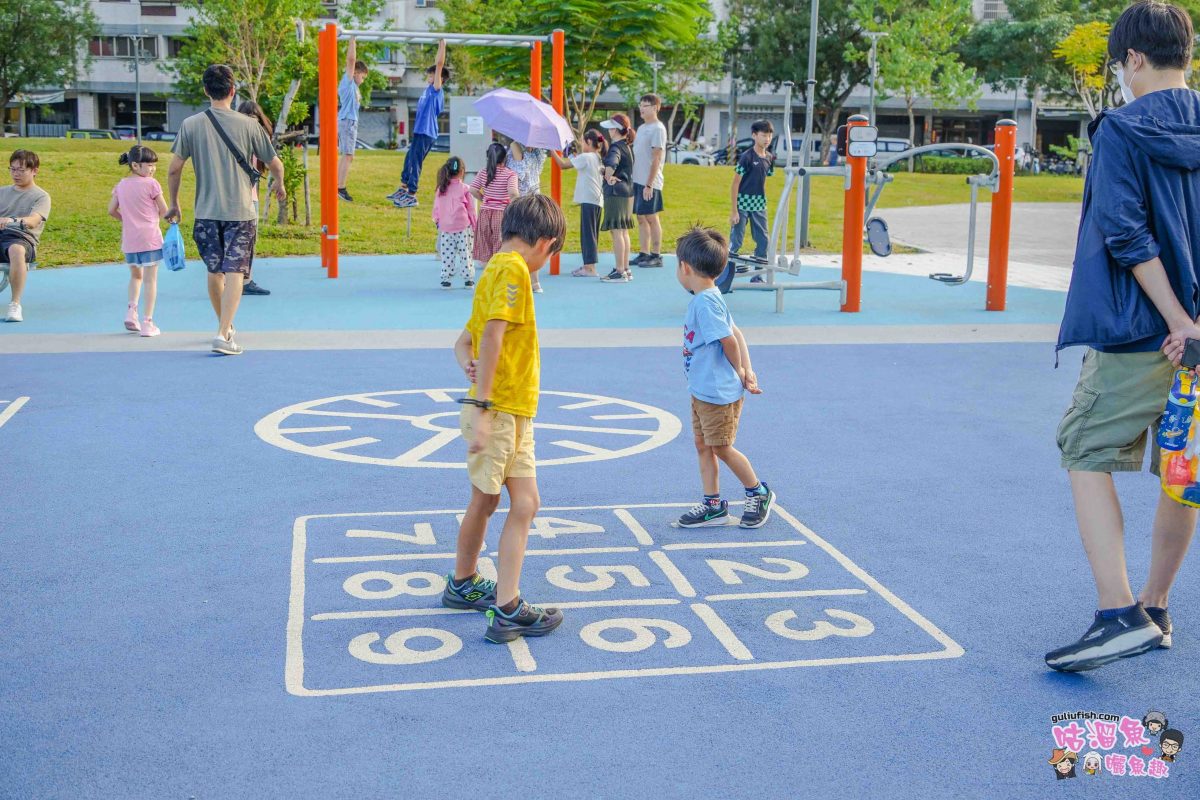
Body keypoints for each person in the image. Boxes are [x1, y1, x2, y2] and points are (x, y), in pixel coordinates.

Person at [1048, 1, 1200, 672]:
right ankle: (1157, 605)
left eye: (1120, 64)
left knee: (1082, 446)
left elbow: (1126, 234)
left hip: (1148, 331)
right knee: (1182, 467)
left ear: (1134, 58)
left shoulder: (1121, 130)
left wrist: (1178, 320)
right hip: (1193, 337)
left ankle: (1118, 613)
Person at [446, 194, 567, 643]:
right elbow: (492, 335)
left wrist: (470, 369)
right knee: (491, 501)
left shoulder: (493, 269)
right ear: (546, 243)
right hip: (499, 411)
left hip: (512, 410)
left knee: (519, 503)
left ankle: (475, 586)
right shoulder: (514, 269)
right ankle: (502, 603)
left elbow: (464, 342)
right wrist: (481, 405)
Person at [167, 64, 285, 356]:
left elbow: (174, 168)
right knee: (236, 270)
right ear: (233, 91)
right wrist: (279, 184)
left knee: (215, 270)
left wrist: (174, 202)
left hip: (206, 211)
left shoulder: (191, 125)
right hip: (241, 211)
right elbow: (274, 162)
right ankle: (223, 332)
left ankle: (225, 326)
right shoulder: (250, 125)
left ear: (206, 91)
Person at [673, 226, 775, 529]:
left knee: (721, 447)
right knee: (703, 444)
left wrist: (742, 371)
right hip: (703, 390)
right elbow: (737, 332)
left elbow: (729, 340)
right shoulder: (711, 296)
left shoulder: (704, 303)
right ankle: (713, 504)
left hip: (717, 393)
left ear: (685, 267)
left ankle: (757, 491)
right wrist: (748, 368)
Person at [108, 145, 169, 337]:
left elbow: (111, 210)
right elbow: (164, 210)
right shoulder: (152, 184)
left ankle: (131, 312)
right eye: (149, 165)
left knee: (136, 277)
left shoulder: (121, 185)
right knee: (151, 281)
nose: (152, 169)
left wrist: (127, 219)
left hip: (130, 239)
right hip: (150, 238)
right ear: (135, 165)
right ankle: (147, 322)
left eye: (154, 165)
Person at [388, 39, 447, 209]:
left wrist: (442, 45)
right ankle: (403, 187)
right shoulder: (427, 90)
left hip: (427, 132)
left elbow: (439, 64)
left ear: (439, 79)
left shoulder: (436, 90)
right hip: (420, 131)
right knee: (409, 159)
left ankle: (412, 194)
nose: (429, 77)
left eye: (432, 75)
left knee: (415, 162)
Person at [0, 150, 51, 323]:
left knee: (16, 249)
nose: (16, 174)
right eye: (12, 169)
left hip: (21, 237)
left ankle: (15, 304)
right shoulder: (2, 192)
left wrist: (10, 220)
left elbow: (34, 220)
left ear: (34, 170)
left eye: (21, 170)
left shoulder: (41, 196)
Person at [550, 130, 606, 278]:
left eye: (582, 141)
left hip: (589, 199)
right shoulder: (597, 157)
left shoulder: (586, 157)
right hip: (596, 200)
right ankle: (589, 265)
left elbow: (562, 165)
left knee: (588, 235)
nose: (581, 144)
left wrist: (552, 150)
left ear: (588, 142)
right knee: (592, 234)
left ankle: (590, 268)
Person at [236, 100, 275, 297]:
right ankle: (242, 280)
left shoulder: (254, 138)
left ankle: (243, 279)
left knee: (247, 240)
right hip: (242, 199)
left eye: (255, 119)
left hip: (248, 197)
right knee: (245, 239)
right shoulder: (243, 138)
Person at [730, 120, 775, 279]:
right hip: (742, 204)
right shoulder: (746, 157)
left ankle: (757, 274)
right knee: (736, 240)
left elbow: (764, 179)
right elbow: (735, 184)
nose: (767, 139)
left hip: (759, 205)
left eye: (769, 135)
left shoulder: (770, 157)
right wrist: (734, 210)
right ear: (754, 135)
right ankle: (728, 271)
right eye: (763, 135)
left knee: (763, 240)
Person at [506, 140, 549, 292]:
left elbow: (518, 174)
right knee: (533, 240)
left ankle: (521, 281)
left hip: (522, 202)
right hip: (535, 200)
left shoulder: (516, 148)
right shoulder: (538, 152)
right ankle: (534, 282)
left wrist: (513, 147)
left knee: (520, 241)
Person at [598, 113, 636, 283]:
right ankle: (625, 268)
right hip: (627, 192)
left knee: (617, 231)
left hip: (616, 194)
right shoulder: (626, 146)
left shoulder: (615, 147)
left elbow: (612, 164)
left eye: (611, 128)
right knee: (623, 231)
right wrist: (607, 173)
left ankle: (620, 271)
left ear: (616, 129)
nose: (609, 131)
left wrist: (607, 175)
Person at [469, 142, 519, 269]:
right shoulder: (510, 174)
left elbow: (473, 189)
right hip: (501, 212)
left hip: (485, 211)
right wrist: (514, 203)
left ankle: (486, 264)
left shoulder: (483, 172)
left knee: (485, 238)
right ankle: (498, 264)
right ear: (504, 158)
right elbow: (513, 192)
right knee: (500, 239)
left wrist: (483, 198)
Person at [631, 94, 667, 268]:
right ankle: (644, 253)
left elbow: (656, 158)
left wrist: (649, 184)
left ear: (655, 108)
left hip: (650, 182)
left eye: (646, 105)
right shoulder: (642, 127)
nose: (642, 108)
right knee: (641, 217)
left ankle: (656, 255)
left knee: (652, 217)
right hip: (637, 180)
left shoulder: (658, 129)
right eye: (641, 105)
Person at [432, 155, 476, 289]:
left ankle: (446, 278)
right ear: (462, 172)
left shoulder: (441, 189)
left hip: (446, 227)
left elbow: (437, 207)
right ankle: (468, 279)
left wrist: (438, 221)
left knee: (447, 253)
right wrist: (475, 225)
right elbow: (471, 210)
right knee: (466, 253)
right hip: (463, 226)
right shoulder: (465, 188)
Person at [337, 36, 368, 203]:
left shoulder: (354, 86)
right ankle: (340, 187)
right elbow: (351, 59)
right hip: (348, 121)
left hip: (350, 121)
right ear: (355, 73)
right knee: (348, 155)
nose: (362, 81)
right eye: (362, 77)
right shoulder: (348, 82)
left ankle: (338, 185)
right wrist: (352, 38)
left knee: (347, 155)